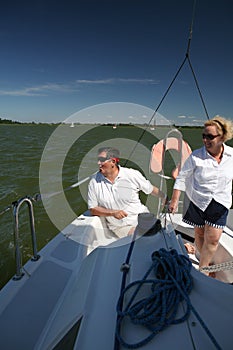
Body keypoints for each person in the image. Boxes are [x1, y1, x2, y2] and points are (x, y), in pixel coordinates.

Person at [169, 115, 233, 276]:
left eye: (210, 136)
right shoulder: (196, 156)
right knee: (199, 233)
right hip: (197, 200)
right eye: (203, 136)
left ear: (223, 137)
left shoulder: (232, 156)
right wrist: (175, 200)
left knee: (213, 239)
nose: (205, 140)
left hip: (220, 203)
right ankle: (203, 258)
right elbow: (182, 178)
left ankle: (202, 270)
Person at [87, 146, 166, 238]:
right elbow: (93, 209)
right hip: (121, 227)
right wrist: (113, 213)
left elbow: (150, 189)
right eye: (98, 160)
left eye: (101, 160)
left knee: (161, 237)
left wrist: (165, 197)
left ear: (113, 161)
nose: (98, 163)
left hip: (142, 218)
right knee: (141, 237)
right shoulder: (94, 181)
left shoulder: (132, 174)